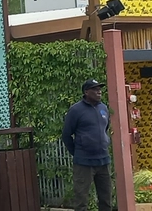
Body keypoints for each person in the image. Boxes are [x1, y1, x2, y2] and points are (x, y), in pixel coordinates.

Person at [63, 79, 112, 211]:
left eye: (99, 89)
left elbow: (105, 129)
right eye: (95, 89)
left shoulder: (103, 108)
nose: (99, 92)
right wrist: (78, 152)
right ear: (86, 92)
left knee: (106, 199)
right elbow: (66, 135)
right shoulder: (76, 110)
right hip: (84, 163)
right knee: (81, 200)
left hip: (103, 161)